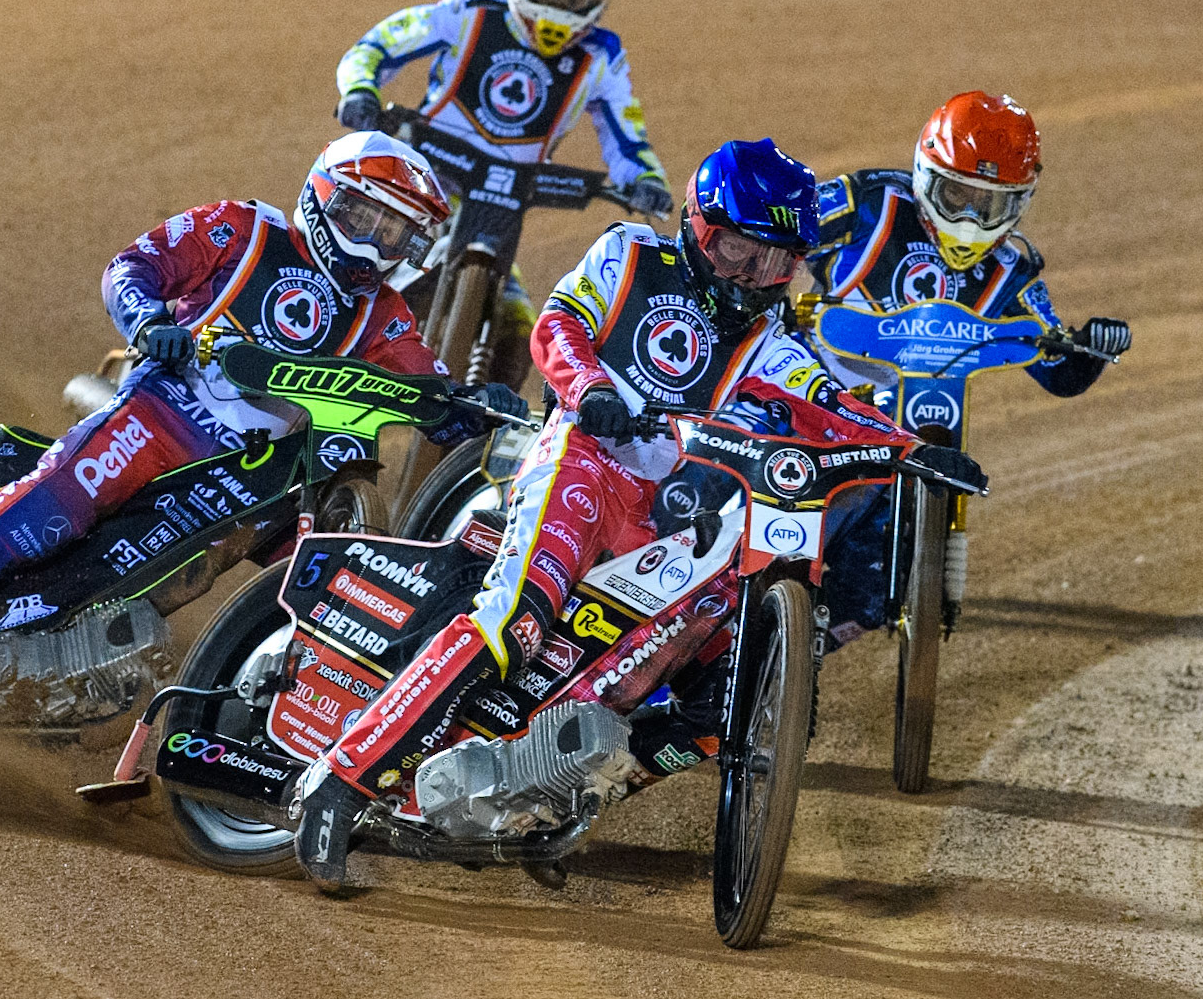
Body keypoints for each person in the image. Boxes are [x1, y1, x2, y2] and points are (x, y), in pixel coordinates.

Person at [290, 138, 987, 882]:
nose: (749, 276)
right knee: (513, 621)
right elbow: (557, 324)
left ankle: (548, 798)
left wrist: (910, 449)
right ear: (697, 225)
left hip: (663, 513)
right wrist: (590, 388)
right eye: (736, 251)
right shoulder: (628, 254)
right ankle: (340, 781)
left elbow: (826, 402)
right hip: (581, 464)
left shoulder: (770, 340)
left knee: (722, 697)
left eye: (773, 263)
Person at [0, 132, 526, 639]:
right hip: (161, 414)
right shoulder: (243, 228)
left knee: (311, 587)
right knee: (54, 507)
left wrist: (478, 406)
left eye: (393, 233)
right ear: (325, 196)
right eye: (363, 219)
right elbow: (133, 266)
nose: (373, 243)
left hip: (254, 480)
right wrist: (149, 322)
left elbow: (428, 389)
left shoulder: (384, 314)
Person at [803, 92, 1132, 645]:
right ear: (926, 174)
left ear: (1020, 202)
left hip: (896, 433)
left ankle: (790, 657)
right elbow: (772, 231)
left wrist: (1089, 351)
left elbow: (1057, 372)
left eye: (992, 204)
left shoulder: (1011, 273)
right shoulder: (867, 204)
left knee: (883, 581)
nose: (971, 219)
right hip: (794, 392)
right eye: (958, 195)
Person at [332, 0, 673, 385]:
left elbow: (625, 131)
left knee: (517, 339)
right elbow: (379, 45)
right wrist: (360, 92)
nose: (561, 2)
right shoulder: (471, 11)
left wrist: (644, 180)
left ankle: (474, 433)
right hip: (414, 185)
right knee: (352, 287)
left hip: (501, 204)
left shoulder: (601, 57)